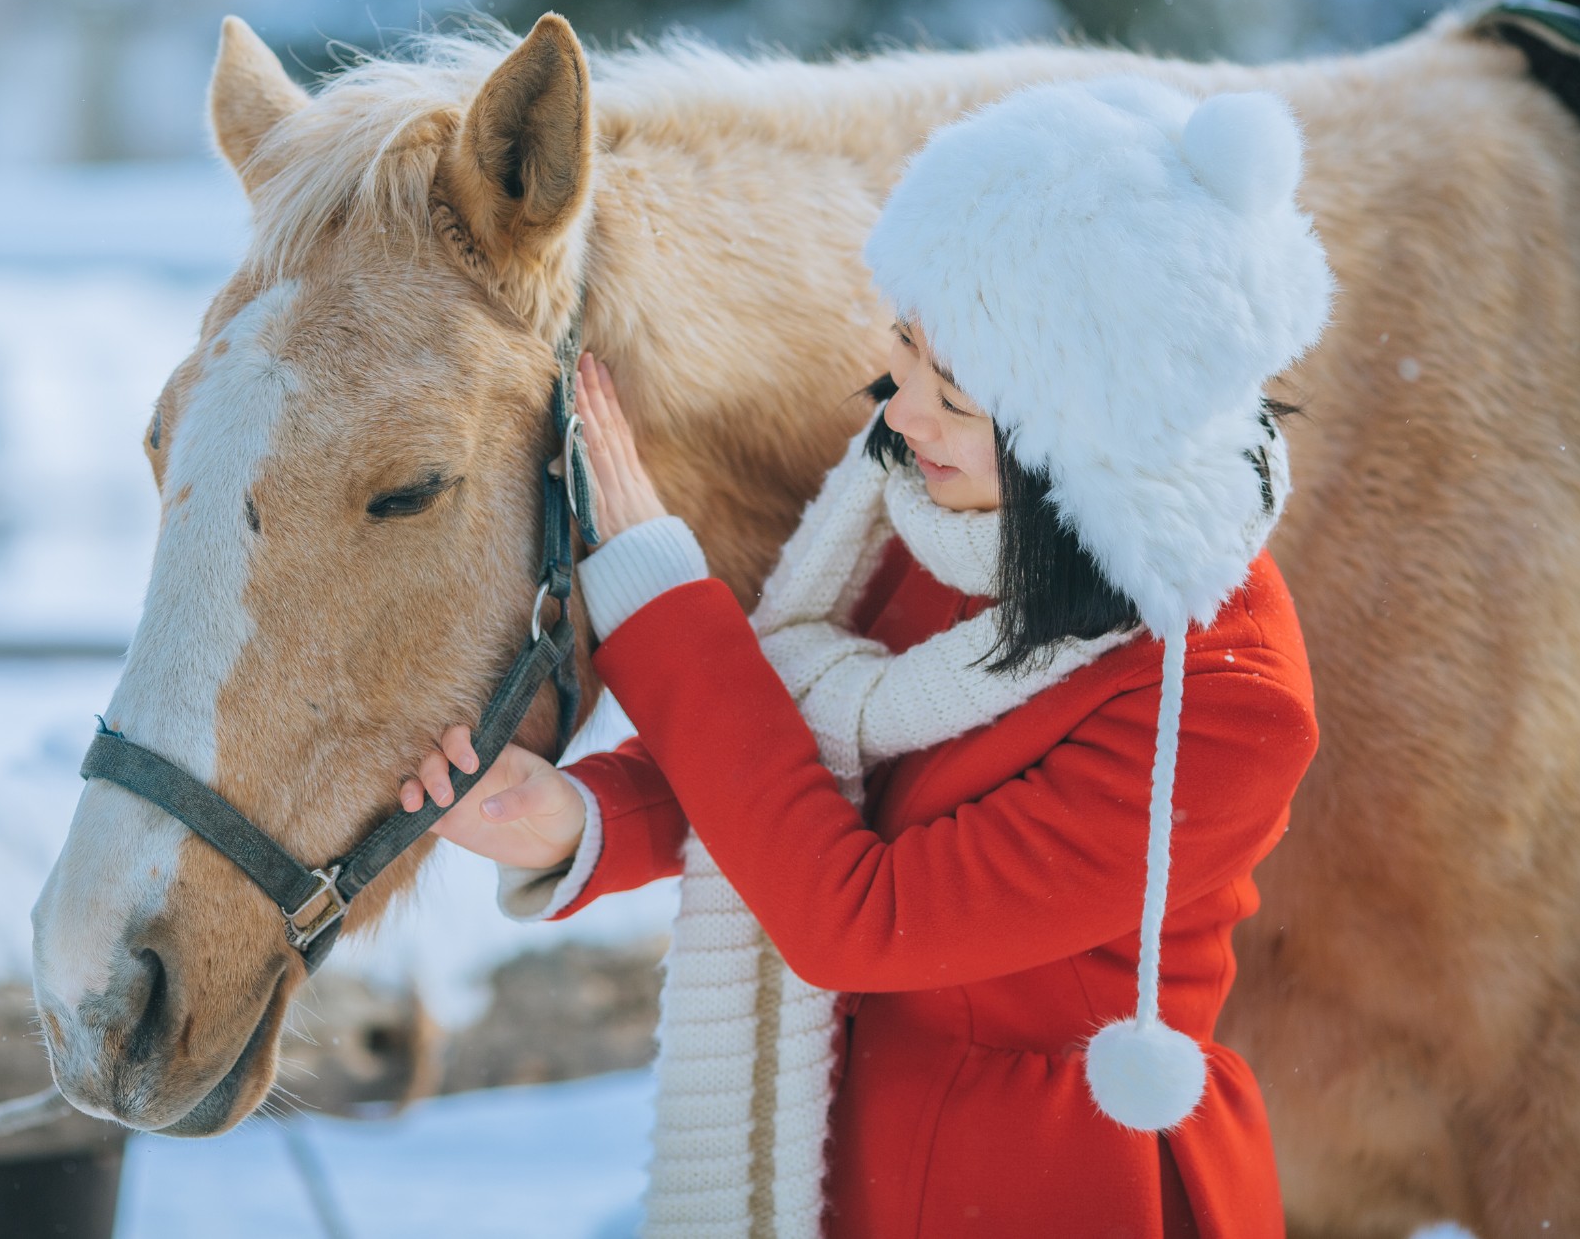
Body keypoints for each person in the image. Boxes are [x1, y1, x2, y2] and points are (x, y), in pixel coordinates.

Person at [400, 76, 1331, 1237]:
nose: (901, 412)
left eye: (955, 394)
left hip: (1052, 1188)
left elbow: (861, 911)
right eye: (905, 343)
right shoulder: (953, 521)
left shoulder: (1223, 706)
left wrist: (657, 595)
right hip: (843, 1155)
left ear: (1084, 441)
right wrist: (586, 821)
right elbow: (817, 761)